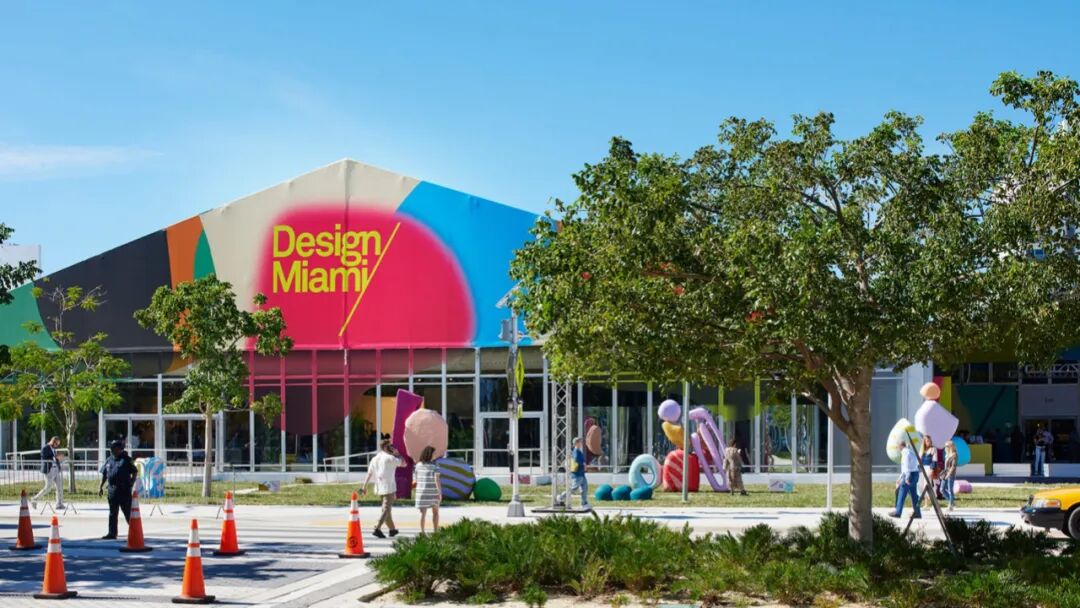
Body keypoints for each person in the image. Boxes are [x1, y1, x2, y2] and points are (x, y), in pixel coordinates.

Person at [360, 439, 405, 538]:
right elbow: (404, 464)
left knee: (386, 509)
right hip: (389, 487)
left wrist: (364, 487)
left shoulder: (375, 458)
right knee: (386, 509)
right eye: (390, 446)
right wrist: (398, 454)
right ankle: (377, 528)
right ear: (385, 447)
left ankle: (392, 529)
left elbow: (369, 474)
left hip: (379, 487)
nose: (392, 448)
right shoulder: (390, 458)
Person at [99, 439, 138, 540]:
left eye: (114, 448)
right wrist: (101, 486)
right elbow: (105, 474)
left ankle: (135, 532)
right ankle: (112, 533)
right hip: (112, 490)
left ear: (120, 449)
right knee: (112, 513)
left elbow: (134, 471)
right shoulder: (109, 459)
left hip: (124, 490)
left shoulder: (126, 459)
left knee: (128, 513)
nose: (112, 450)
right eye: (111, 448)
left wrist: (131, 483)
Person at [890, 438, 922, 520]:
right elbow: (906, 467)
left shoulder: (905, 453)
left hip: (910, 475)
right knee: (914, 495)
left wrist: (907, 478)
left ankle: (898, 512)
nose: (897, 448)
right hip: (915, 474)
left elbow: (907, 466)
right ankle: (917, 513)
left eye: (897, 446)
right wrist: (900, 477)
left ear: (900, 446)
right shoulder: (910, 451)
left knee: (902, 492)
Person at [413, 446, 442, 534]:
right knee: (435, 512)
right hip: (433, 492)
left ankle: (422, 532)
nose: (435, 455)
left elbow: (416, 480)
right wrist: (439, 492)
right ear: (429, 454)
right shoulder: (435, 465)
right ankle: (435, 532)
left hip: (421, 492)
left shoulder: (418, 465)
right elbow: (437, 480)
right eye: (434, 453)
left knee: (422, 513)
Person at [31, 436, 64, 510]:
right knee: (48, 488)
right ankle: (34, 499)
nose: (57, 446)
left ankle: (59, 504)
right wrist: (56, 457)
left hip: (56, 470)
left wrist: (58, 461)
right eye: (56, 444)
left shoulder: (54, 449)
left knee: (59, 487)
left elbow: (55, 459)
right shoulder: (45, 448)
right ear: (53, 441)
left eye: (58, 444)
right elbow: (44, 457)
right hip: (49, 470)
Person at [555, 437, 589, 509]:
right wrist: (583, 464)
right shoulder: (576, 451)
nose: (581, 443)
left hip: (581, 473)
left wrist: (584, 465)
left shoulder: (579, 451)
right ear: (576, 443)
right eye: (580, 442)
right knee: (574, 488)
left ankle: (584, 504)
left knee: (584, 488)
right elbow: (576, 460)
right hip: (577, 474)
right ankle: (561, 497)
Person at [941, 440, 958, 513]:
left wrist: (948, 474)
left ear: (951, 447)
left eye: (947, 446)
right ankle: (952, 502)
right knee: (942, 489)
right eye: (945, 446)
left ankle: (950, 506)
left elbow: (953, 466)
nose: (945, 448)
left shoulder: (954, 455)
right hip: (945, 473)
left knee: (950, 490)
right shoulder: (947, 454)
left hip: (951, 474)